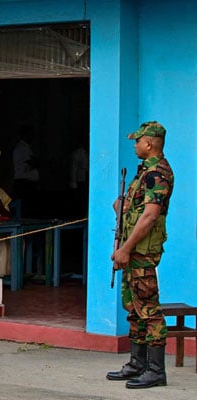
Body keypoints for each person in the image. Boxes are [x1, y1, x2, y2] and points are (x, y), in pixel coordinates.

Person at [107, 121, 174, 389]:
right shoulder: (143, 172)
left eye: (137, 141)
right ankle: (137, 363)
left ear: (149, 144)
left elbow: (149, 217)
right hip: (134, 252)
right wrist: (120, 207)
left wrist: (125, 248)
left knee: (149, 308)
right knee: (133, 306)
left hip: (142, 252)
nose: (134, 145)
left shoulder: (157, 173)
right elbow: (135, 210)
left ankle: (156, 370)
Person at [12, 124, 40, 217]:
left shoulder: (26, 148)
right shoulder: (22, 148)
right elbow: (30, 163)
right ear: (25, 135)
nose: (32, 137)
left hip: (27, 184)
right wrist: (36, 162)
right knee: (25, 211)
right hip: (24, 184)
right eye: (30, 134)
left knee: (29, 210)